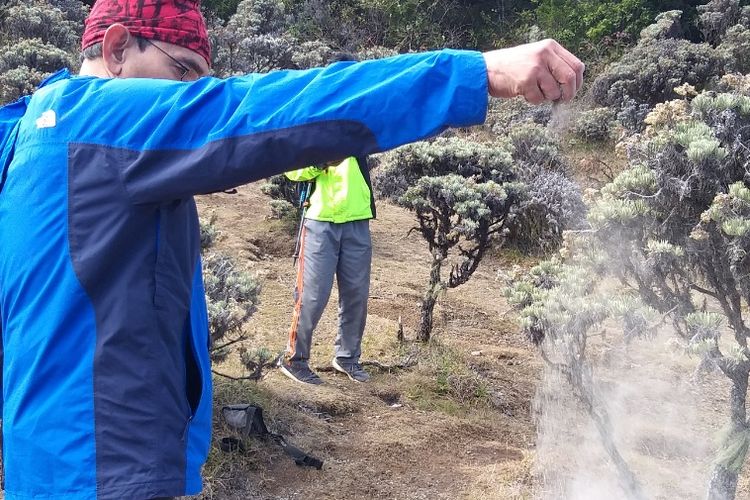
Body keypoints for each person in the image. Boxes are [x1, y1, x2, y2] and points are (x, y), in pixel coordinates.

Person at [0, 0, 584, 498]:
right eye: (183, 76)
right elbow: (267, 108)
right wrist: (473, 74)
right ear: (119, 46)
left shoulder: (30, 132)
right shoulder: (103, 121)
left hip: (50, 455)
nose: (189, 99)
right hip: (100, 463)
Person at [280, 149, 375, 385]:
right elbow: (292, 170)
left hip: (357, 216)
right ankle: (294, 359)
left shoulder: (356, 122)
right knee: (312, 296)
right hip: (319, 220)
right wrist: (321, 161)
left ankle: (348, 357)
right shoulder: (312, 124)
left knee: (357, 295)